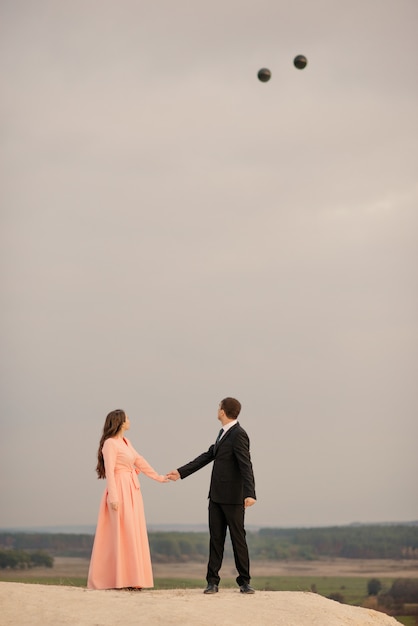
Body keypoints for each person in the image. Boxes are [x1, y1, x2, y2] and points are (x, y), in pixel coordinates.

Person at [167, 397, 256, 594]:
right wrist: (181, 472)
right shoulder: (223, 433)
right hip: (215, 497)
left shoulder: (239, 434)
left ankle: (244, 582)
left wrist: (250, 493)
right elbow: (208, 455)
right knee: (215, 539)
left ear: (223, 411)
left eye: (218, 407)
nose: (217, 410)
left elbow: (245, 465)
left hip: (233, 498)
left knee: (237, 538)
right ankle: (212, 582)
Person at [87, 409, 168, 590]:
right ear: (120, 421)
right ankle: (119, 580)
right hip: (120, 490)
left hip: (132, 490)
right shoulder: (110, 444)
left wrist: (159, 477)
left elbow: (139, 461)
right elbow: (109, 471)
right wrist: (113, 497)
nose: (130, 421)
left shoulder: (125, 441)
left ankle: (133, 579)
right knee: (121, 534)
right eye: (127, 418)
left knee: (133, 532)